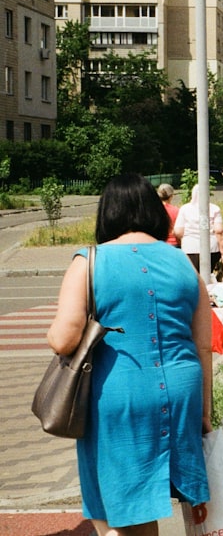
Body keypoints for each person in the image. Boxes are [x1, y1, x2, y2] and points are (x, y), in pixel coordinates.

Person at [45, 173, 213, 535]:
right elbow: (203, 344)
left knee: (119, 510)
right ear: (155, 211)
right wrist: (206, 410)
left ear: (107, 213)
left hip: (120, 391)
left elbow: (64, 339)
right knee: (143, 507)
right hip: (183, 389)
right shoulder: (183, 263)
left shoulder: (89, 261)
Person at [173, 183, 223, 276]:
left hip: (189, 248)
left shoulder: (184, 209)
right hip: (211, 248)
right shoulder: (214, 208)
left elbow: (178, 231)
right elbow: (219, 231)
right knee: (209, 276)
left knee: (193, 276)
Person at [157, 183, 180, 247]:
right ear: (171, 196)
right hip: (173, 243)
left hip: (158, 243)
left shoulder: (154, 210)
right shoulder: (176, 210)